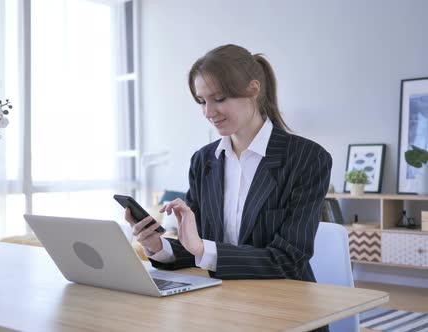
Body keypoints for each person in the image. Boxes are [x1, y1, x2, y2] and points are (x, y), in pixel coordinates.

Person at [125, 44, 332, 283]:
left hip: (285, 302)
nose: (208, 112)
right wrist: (157, 244)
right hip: (222, 301)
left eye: (219, 99)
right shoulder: (203, 161)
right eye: (202, 101)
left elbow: (288, 259)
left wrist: (202, 249)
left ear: (253, 89)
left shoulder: (307, 158)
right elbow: (198, 247)